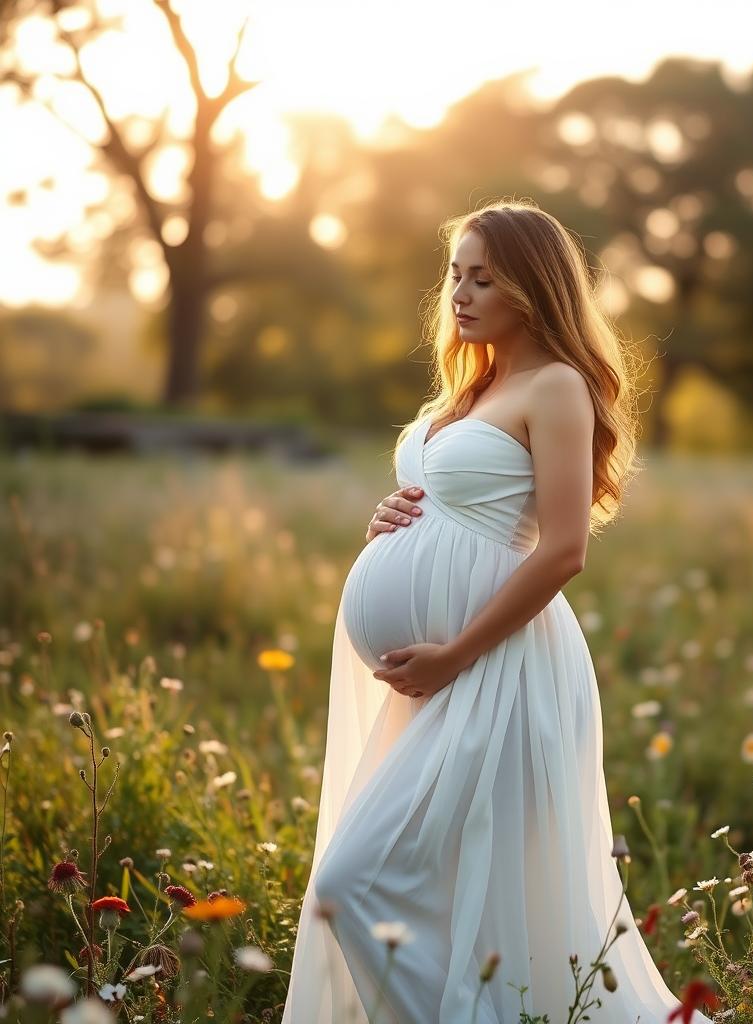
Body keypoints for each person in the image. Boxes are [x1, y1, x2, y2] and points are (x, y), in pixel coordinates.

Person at [281, 200, 710, 1023]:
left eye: (485, 277)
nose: (462, 293)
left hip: (498, 667)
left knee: (352, 884)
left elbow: (562, 549)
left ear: (533, 287)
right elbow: (454, 503)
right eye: (456, 274)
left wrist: (455, 653)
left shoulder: (555, 387)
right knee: (430, 890)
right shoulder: (475, 387)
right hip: (436, 679)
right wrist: (389, 520)